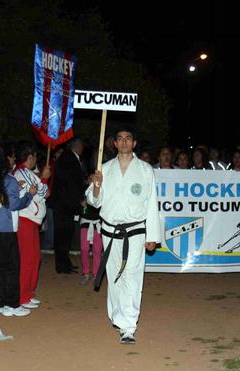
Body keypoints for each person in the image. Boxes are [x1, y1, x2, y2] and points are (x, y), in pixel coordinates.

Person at [87, 129, 160, 345]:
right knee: (115, 277)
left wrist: (152, 235)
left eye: (128, 138)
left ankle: (128, 326)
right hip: (110, 231)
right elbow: (93, 201)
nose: (124, 142)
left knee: (132, 277)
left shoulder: (145, 170)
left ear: (134, 143)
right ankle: (117, 316)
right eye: (120, 139)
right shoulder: (105, 169)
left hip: (136, 231)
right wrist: (96, 186)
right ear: (115, 144)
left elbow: (152, 203)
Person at [0, 152, 36, 317]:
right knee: (13, 266)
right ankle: (12, 304)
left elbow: (2, 198)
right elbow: (13, 205)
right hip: (6, 227)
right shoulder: (9, 180)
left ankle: (0, 302)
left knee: (1, 265)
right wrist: (29, 195)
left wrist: (16, 189)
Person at [12, 141, 50, 309]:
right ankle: (21, 296)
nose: (36, 159)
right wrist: (44, 177)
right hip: (25, 221)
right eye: (34, 156)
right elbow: (40, 192)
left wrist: (42, 181)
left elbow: (45, 192)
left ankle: (27, 293)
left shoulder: (27, 172)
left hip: (31, 221)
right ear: (30, 157)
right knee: (27, 259)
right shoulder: (22, 172)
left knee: (34, 258)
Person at [52, 138, 85, 274]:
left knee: (65, 235)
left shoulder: (68, 157)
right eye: (82, 145)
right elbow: (70, 185)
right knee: (63, 235)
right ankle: (62, 266)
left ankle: (65, 263)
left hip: (64, 204)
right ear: (77, 146)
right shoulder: (69, 159)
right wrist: (78, 201)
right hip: (64, 205)